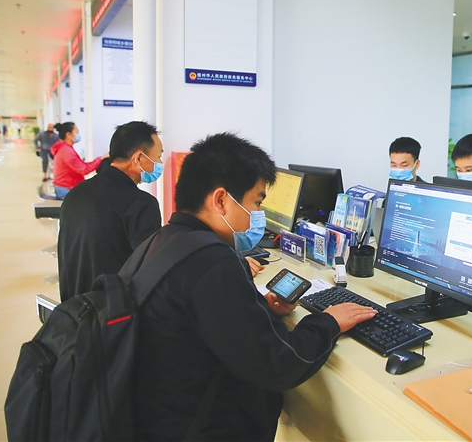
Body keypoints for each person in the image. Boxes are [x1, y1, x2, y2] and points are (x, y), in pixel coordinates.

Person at [132, 132, 375, 441]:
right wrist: (329, 322)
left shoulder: (162, 241)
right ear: (221, 200)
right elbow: (278, 365)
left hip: (157, 417)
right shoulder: (212, 262)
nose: (258, 215)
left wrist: (261, 310)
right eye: (257, 202)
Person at [57, 121, 164, 301]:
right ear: (138, 158)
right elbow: (151, 269)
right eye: (158, 156)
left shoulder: (77, 192)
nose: (160, 163)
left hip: (74, 308)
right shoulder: (140, 203)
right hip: (113, 311)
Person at [50, 122, 103, 199]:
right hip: (66, 189)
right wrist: (100, 159)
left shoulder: (64, 148)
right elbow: (84, 169)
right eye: (77, 132)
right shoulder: (66, 151)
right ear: (68, 134)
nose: (78, 135)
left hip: (65, 187)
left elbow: (82, 166)